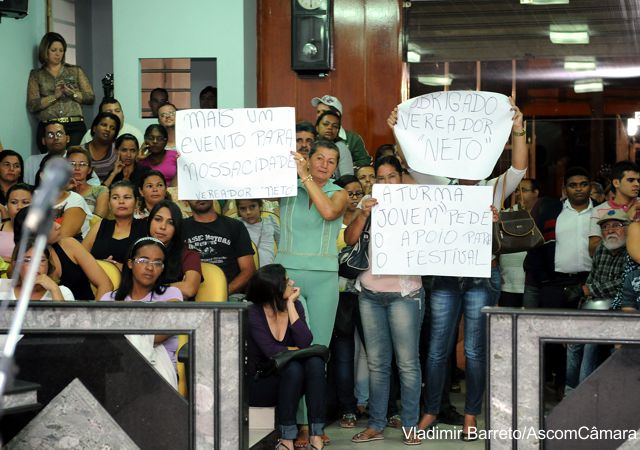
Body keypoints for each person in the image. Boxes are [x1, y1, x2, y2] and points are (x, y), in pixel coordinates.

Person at [415, 98, 527, 440]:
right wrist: (397, 127)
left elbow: (520, 168)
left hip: (483, 274)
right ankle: (432, 410)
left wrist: (519, 128)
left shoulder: (493, 188)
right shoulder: (439, 187)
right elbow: (412, 162)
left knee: (476, 350)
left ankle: (471, 413)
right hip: (446, 276)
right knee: (437, 348)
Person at [345, 156, 424, 445]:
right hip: (369, 293)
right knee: (377, 364)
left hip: (405, 293)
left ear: (402, 178)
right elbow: (351, 240)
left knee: (407, 363)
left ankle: (411, 425)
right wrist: (363, 215)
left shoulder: (417, 205)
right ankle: (376, 423)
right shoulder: (367, 203)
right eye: (380, 177)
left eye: (392, 176)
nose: (386, 182)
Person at [277, 140, 347, 447]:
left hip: (323, 280)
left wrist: (305, 176)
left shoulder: (339, 193)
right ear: (308, 157)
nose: (324, 164)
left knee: (317, 353)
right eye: (319, 158)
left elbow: (329, 212)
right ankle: (300, 426)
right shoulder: (286, 186)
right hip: (288, 277)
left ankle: (316, 424)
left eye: (331, 161)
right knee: (293, 352)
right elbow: (245, 186)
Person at [247, 264, 327, 450]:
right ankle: (287, 438)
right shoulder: (254, 313)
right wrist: (295, 350)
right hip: (262, 383)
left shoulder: (295, 306)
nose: (291, 282)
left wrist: (291, 304)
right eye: (286, 280)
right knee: (293, 367)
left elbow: (305, 342)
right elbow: (270, 351)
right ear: (274, 288)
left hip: (292, 380)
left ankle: (316, 435)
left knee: (315, 363)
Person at [100, 237, 183, 388]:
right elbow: (102, 342)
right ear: (130, 263)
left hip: (160, 373)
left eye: (157, 263)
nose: (150, 268)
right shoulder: (108, 299)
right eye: (143, 260)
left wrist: (119, 328)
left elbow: (159, 334)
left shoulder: (172, 295)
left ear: (162, 268)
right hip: (115, 372)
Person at [565, 208, 628, 395]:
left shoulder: (632, 250)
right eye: (605, 227)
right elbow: (591, 281)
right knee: (572, 341)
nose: (610, 231)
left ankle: (583, 396)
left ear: (628, 228)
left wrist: (588, 290)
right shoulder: (602, 248)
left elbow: (624, 283)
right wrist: (579, 309)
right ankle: (569, 392)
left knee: (590, 343)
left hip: (621, 309)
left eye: (616, 225)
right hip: (596, 307)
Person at [13, 207, 113, 300]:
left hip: (85, 313)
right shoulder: (20, 261)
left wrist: (93, 316)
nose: (58, 225)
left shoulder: (69, 245)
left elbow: (105, 285)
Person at [332, 174, 365, 429]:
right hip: (339, 296)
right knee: (343, 355)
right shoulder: (329, 221)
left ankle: (386, 408)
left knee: (377, 354)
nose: (354, 198)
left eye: (358, 193)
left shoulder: (371, 218)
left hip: (367, 294)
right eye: (349, 193)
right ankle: (348, 408)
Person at [27, 32, 95, 147]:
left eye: (61, 50)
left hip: (74, 126)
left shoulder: (75, 70)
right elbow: (33, 105)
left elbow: (90, 98)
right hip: (48, 127)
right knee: (50, 163)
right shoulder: (36, 74)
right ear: (45, 51)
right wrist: (55, 96)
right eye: (53, 50)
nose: (58, 54)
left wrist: (72, 93)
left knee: (74, 161)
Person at [183, 199, 255, 296]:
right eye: (194, 195)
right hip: (190, 296)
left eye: (203, 192)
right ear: (186, 200)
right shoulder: (180, 228)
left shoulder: (235, 226)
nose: (200, 197)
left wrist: (223, 292)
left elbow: (248, 270)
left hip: (230, 295)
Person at [83, 180, 147, 267]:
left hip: (128, 279)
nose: (121, 201)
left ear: (136, 203)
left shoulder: (145, 227)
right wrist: (102, 265)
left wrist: (120, 268)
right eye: (115, 197)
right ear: (109, 204)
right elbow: (81, 256)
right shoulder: (101, 225)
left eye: (127, 197)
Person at [148, 200, 202, 299]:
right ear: (149, 221)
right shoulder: (137, 249)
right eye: (158, 219)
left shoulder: (188, 254)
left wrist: (150, 288)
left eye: (171, 223)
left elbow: (189, 289)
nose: (163, 227)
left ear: (176, 227)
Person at [589, 161, 640, 254]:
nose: (637, 184)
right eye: (631, 180)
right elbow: (592, 250)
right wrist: (626, 218)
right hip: (610, 266)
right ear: (616, 183)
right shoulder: (599, 210)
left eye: (638, 180)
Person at [311, 95, 371, 167]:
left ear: (337, 115)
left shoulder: (353, 139)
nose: (319, 115)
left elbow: (364, 162)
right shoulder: (311, 136)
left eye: (324, 112)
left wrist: (345, 166)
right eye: (318, 112)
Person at [7, 238, 74, 301]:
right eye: (28, 260)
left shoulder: (63, 292)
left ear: (48, 265)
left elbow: (63, 313)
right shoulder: (3, 289)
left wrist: (54, 289)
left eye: (41, 260)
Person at [80, 97, 144, 146]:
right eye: (109, 112)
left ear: (123, 114)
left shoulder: (135, 133)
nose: (114, 114)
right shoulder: (91, 134)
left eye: (117, 111)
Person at [66, 147, 108, 218]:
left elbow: (98, 220)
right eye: (72, 164)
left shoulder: (101, 190)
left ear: (89, 170)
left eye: (82, 164)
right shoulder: (59, 192)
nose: (77, 168)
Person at [237, 199, 280, 267]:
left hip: (268, 272)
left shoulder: (270, 221)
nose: (248, 212)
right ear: (238, 210)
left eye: (252, 206)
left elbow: (282, 246)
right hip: (246, 271)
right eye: (243, 208)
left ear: (260, 206)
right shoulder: (235, 225)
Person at [82, 111, 121, 182]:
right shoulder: (81, 151)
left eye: (112, 128)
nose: (107, 129)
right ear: (94, 128)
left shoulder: (118, 151)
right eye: (104, 125)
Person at [315, 110, 354, 178]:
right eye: (326, 124)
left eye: (335, 126)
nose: (330, 128)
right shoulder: (310, 146)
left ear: (338, 131)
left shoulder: (341, 148)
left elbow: (348, 179)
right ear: (317, 128)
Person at [0, 184, 33, 261]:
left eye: (25, 202)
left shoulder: (43, 231)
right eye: (14, 202)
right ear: (7, 205)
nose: (19, 207)